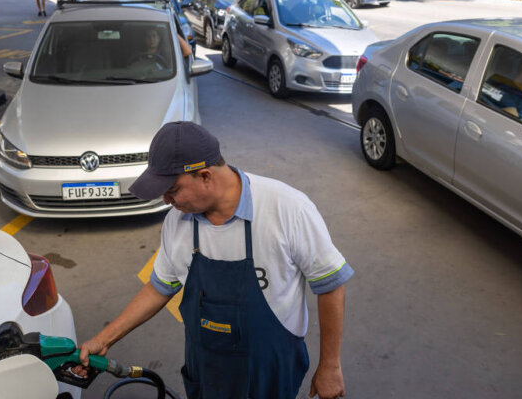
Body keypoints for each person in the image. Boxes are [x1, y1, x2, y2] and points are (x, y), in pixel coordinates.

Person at [77, 121, 353, 399]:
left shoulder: (287, 208)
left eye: (173, 189)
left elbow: (330, 284)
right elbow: (159, 287)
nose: (166, 200)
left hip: (269, 370)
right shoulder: (177, 221)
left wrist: (329, 365)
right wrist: (105, 338)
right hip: (207, 369)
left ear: (205, 176)